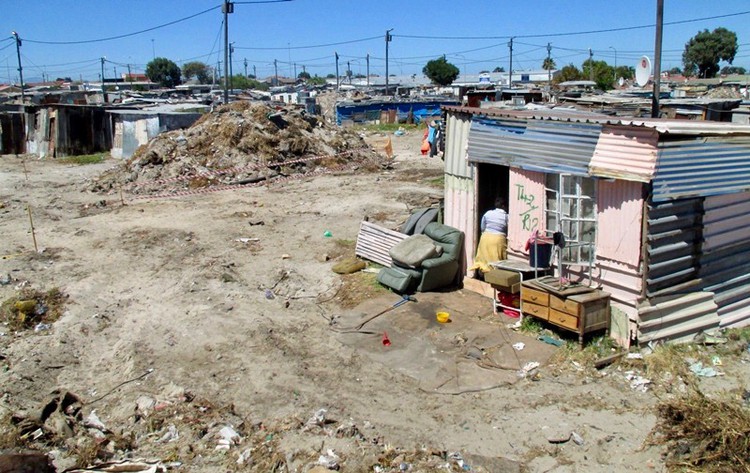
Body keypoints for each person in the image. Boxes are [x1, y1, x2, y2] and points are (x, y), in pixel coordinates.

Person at [470, 197, 508, 275]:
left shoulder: (488, 213)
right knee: (497, 260)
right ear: (504, 206)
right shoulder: (506, 216)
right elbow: (509, 229)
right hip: (498, 240)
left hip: (485, 238)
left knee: (483, 260)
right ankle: (494, 279)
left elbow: (482, 227)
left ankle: (482, 277)